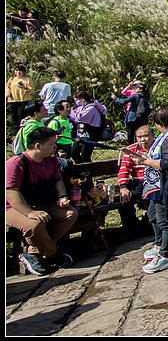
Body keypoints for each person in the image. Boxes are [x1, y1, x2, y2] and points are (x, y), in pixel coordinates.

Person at [6, 126, 77, 275]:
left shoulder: (50, 161)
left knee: (70, 214)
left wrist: (62, 197)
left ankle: (33, 252)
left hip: (43, 202)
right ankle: (52, 253)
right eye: (51, 144)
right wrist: (29, 212)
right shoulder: (16, 163)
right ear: (38, 146)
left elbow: (58, 181)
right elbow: (11, 193)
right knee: (35, 224)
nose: (55, 147)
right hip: (15, 207)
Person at [127, 105, 168, 273]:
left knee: (165, 220)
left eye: (156, 122)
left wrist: (145, 162)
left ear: (163, 121)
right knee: (153, 215)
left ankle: (164, 255)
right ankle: (158, 243)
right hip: (155, 185)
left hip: (166, 186)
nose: (155, 125)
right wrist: (146, 158)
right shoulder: (165, 137)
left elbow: (167, 163)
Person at [117, 125, 153, 233]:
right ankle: (132, 228)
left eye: (146, 136)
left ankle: (151, 224)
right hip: (138, 181)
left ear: (152, 135)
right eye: (139, 137)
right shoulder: (131, 150)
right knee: (123, 198)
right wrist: (123, 187)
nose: (142, 139)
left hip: (155, 181)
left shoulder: (159, 148)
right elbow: (124, 170)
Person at [69, 92, 108, 164]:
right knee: (74, 154)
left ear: (82, 99)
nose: (76, 102)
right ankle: (82, 170)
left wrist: (71, 112)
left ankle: (90, 172)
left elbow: (80, 117)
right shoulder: (81, 107)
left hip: (90, 135)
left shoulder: (91, 108)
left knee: (85, 155)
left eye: (76, 100)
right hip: (80, 135)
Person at [6, 64, 33, 129]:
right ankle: (15, 131)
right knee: (14, 116)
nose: (18, 72)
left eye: (20, 70)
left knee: (22, 115)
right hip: (12, 100)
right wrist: (8, 92)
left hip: (23, 100)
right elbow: (7, 86)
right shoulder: (12, 79)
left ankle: (22, 129)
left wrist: (25, 87)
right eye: (17, 70)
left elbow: (31, 89)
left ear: (23, 71)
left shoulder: (27, 79)